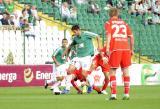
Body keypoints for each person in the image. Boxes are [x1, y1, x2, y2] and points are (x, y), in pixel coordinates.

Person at [104, 8, 134, 100]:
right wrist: (132, 49)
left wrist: (108, 47)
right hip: (126, 49)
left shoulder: (109, 23)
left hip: (115, 49)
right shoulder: (124, 23)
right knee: (126, 71)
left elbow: (109, 35)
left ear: (110, 14)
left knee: (112, 71)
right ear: (117, 14)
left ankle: (113, 95)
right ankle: (126, 94)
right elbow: (131, 37)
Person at [62, 24, 100, 94]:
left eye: (74, 32)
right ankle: (67, 89)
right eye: (73, 32)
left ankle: (90, 85)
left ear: (78, 30)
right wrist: (65, 53)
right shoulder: (75, 38)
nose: (74, 33)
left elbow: (97, 36)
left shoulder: (86, 34)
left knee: (84, 73)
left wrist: (99, 47)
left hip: (86, 57)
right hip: (78, 57)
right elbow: (70, 46)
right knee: (69, 70)